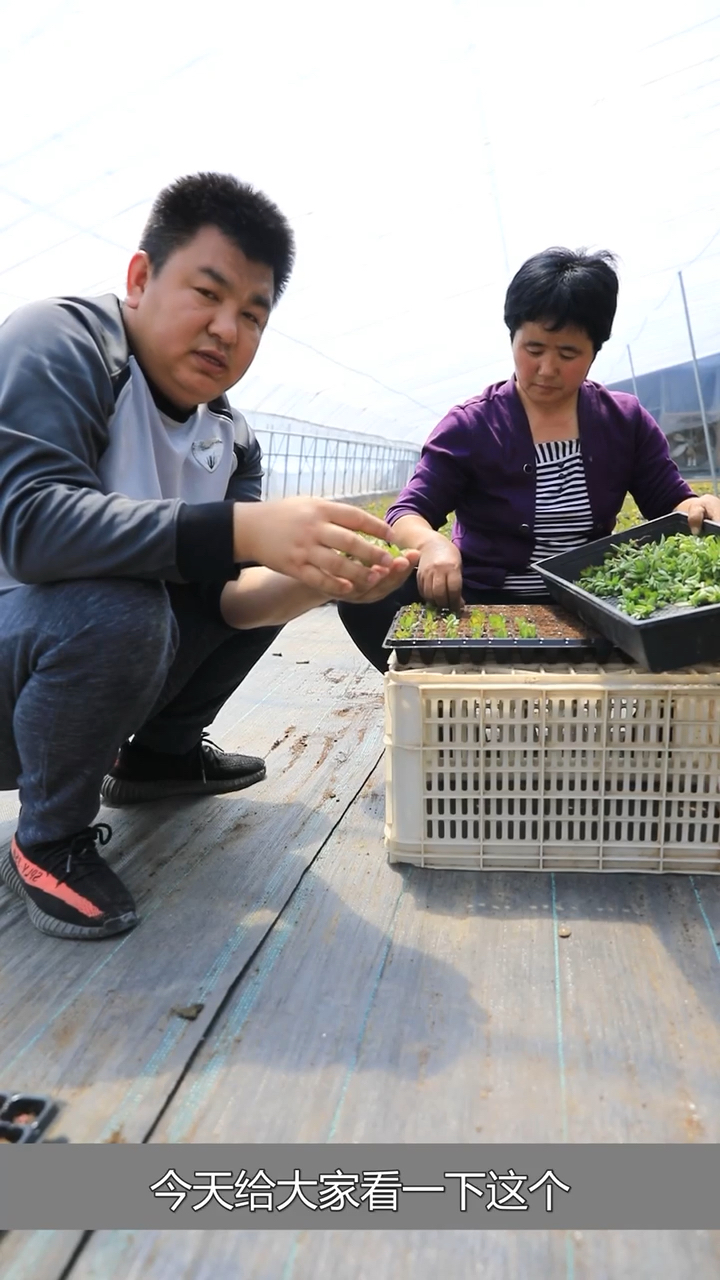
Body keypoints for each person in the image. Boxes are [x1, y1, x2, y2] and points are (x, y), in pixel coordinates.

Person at [0, 172, 418, 941]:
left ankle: (158, 759)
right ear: (139, 278)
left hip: (75, 670)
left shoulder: (230, 436)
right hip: (15, 675)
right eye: (207, 293)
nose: (227, 330)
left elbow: (225, 600)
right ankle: (48, 838)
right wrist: (243, 531)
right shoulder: (61, 343)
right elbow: (31, 527)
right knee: (122, 606)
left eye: (252, 315)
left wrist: (311, 580)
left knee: (224, 575)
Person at [338, 246, 720, 671]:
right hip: (479, 600)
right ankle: (438, 698)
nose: (546, 368)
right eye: (533, 348)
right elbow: (407, 511)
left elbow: (670, 501)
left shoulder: (624, 421)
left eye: (568, 354)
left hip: (593, 603)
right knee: (366, 592)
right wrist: (433, 545)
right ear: (512, 337)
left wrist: (697, 506)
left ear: (595, 350)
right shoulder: (472, 425)